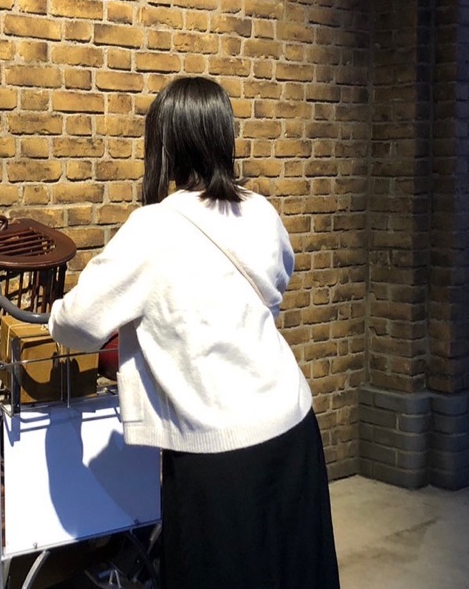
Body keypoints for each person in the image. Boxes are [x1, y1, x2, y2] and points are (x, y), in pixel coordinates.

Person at [48, 76, 340, 589]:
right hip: (294, 430)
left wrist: (52, 318)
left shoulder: (153, 229)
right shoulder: (260, 211)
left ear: (165, 145)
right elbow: (278, 282)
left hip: (216, 458)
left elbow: (78, 323)